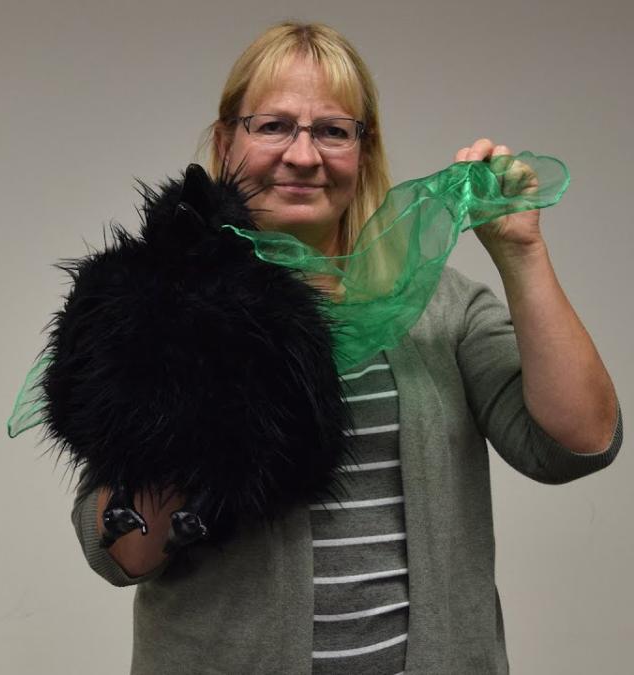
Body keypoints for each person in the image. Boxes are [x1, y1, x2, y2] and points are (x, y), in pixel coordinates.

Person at [70, 21, 623, 674]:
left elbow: (578, 441)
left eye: (332, 130)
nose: (303, 156)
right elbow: (123, 553)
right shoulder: (152, 301)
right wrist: (191, 363)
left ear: (364, 150)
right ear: (225, 142)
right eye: (273, 125)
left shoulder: (441, 306)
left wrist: (521, 252)